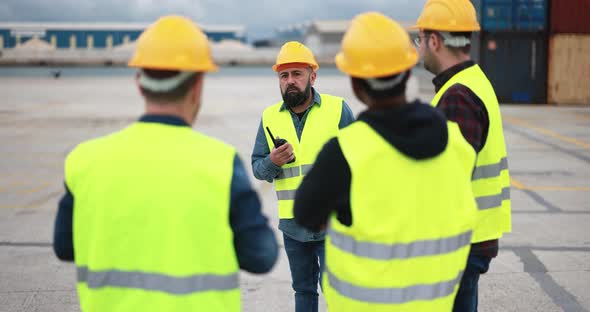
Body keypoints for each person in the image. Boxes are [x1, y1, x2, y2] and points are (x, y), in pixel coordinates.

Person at [52, 15, 278, 311]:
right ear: (197, 86)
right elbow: (261, 256)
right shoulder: (220, 164)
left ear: (139, 83)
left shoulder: (85, 161)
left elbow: (65, 247)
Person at [294, 12, 478, 311]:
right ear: (407, 73)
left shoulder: (345, 153)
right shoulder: (456, 142)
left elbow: (304, 214)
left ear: (355, 84)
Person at [413, 0, 512, 310]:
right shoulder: (474, 81)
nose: (419, 48)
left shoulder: (457, 95)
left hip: (460, 241)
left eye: (420, 39)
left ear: (434, 40)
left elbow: (448, 178)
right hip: (475, 235)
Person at [251, 41, 354, 312]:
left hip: (333, 226)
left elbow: (360, 162)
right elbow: (258, 169)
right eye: (284, 76)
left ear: (313, 76)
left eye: (297, 73)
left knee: (340, 294)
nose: (290, 81)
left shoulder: (338, 110)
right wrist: (273, 162)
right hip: (293, 226)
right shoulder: (269, 117)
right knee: (304, 291)